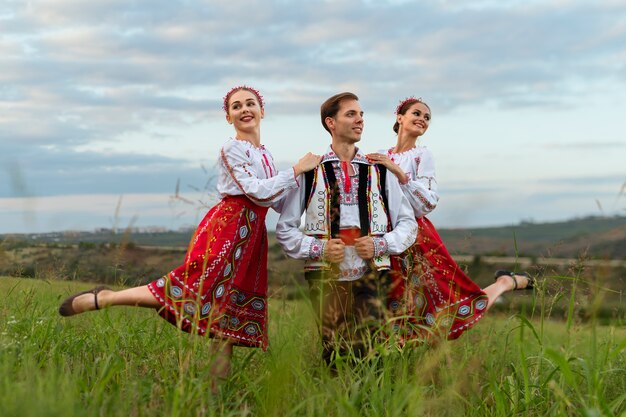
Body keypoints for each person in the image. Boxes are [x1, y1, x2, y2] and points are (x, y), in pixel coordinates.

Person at [58, 85, 322, 386]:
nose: (245, 109)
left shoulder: (265, 154)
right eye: (237, 106)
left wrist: (307, 182)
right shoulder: (231, 149)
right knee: (193, 287)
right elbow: (254, 191)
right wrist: (296, 170)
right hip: (230, 226)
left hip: (252, 235)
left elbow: (273, 200)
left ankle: (213, 390)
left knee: (227, 307)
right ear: (228, 117)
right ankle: (106, 298)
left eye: (251, 103)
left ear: (263, 111)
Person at [366, 97, 534, 342]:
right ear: (399, 117)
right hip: (382, 236)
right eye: (417, 113)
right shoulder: (380, 154)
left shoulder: (422, 155)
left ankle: (505, 283)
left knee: (449, 303)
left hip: (415, 236)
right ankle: (396, 356)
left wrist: (399, 173)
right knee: (391, 300)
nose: (422, 119)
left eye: (427, 117)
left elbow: (427, 204)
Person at [275, 92, 418, 365]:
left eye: (362, 115)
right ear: (331, 122)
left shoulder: (379, 170)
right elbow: (285, 229)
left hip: (373, 274)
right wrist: (319, 248)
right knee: (335, 353)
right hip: (325, 277)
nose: (360, 120)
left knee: (371, 352)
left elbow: (407, 223)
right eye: (351, 114)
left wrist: (380, 244)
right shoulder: (311, 171)